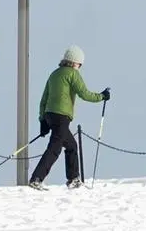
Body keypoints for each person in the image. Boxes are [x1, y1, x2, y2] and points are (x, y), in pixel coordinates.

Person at [29, 45, 110, 189]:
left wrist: (43, 120)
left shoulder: (54, 74)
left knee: (71, 145)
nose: (80, 66)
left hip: (50, 115)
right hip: (62, 116)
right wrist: (102, 96)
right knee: (55, 147)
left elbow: (44, 99)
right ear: (75, 62)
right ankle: (37, 178)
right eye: (80, 64)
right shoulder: (73, 74)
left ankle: (73, 179)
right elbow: (84, 94)